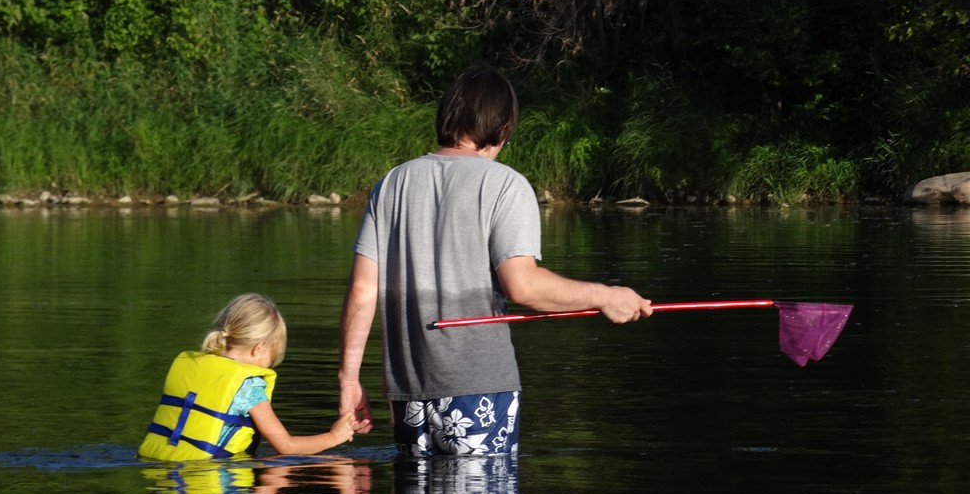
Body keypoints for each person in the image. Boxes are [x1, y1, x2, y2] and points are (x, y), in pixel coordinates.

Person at [338, 65, 652, 455]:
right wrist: (606, 296)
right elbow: (524, 286)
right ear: (503, 128)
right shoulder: (505, 184)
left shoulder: (391, 184)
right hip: (479, 390)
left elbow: (363, 290)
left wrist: (348, 379)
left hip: (407, 393)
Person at [140, 292, 362, 461]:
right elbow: (286, 446)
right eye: (272, 357)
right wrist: (334, 437)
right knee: (276, 485)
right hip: (214, 482)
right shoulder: (249, 387)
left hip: (162, 469)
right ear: (259, 348)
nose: (270, 365)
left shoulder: (194, 365)